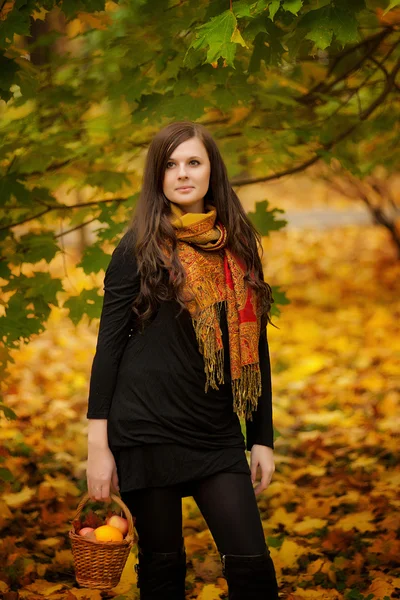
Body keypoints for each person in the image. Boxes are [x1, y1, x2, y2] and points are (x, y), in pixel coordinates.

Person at [86, 120, 279, 599]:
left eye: (193, 161)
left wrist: (262, 439)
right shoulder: (137, 247)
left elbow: (254, 349)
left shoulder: (238, 247)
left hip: (213, 431)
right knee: (162, 569)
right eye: (170, 165)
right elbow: (108, 347)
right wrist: (98, 446)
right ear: (158, 177)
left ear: (213, 170)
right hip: (145, 429)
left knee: (253, 567)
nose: (183, 173)